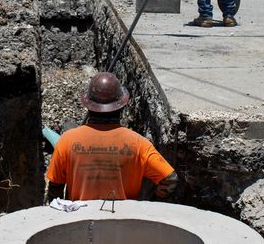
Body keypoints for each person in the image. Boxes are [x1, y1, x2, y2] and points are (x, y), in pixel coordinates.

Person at [46, 72, 178, 201]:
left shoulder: (66, 141)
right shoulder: (139, 144)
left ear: (88, 105)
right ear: (121, 106)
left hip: (81, 219)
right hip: (122, 220)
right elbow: (170, 180)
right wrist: (152, 199)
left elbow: (55, 189)